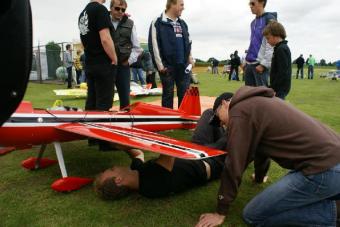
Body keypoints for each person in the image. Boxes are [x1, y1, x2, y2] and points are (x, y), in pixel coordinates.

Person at [196, 86, 340, 227]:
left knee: (253, 215)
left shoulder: (239, 112)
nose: (222, 124)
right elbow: (260, 150)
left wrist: (220, 211)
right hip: (330, 162)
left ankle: (334, 211)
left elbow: (234, 163)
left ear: (225, 104)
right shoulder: (256, 103)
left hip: (322, 170)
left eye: (218, 118)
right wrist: (259, 177)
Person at [94, 109, 228, 200]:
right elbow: (168, 152)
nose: (114, 166)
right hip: (212, 160)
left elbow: (138, 154)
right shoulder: (150, 186)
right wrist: (131, 142)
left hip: (197, 148)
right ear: (118, 180)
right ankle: (227, 128)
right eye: (112, 169)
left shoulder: (136, 173)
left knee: (211, 112)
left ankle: (223, 127)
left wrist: (119, 145)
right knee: (239, 124)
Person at [148, 0, 194, 109]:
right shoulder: (157, 22)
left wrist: (190, 58)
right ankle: (168, 120)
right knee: (168, 95)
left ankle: (183, 120)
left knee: (184, 95)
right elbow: (154, 46)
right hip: (167, 67)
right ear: (172, 4)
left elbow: (188, 43)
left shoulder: (183, 23)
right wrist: (160, 66)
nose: (183, 7)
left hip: (183, 67)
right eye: (181, 5)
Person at [78, 0, 118, 111]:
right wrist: (114, 58)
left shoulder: (83, 14)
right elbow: (105, 38)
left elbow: (83, 41)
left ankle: (88, 127)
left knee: (91, 101)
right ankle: (99, 125)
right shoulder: (100, 9)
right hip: (103, 63)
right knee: (103, 104)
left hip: (90, 63)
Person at [110, 0, 142, 109]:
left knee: (125, 100)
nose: (120, 11)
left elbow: (137, 48)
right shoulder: (103, 21)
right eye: (117, 8)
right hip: (106, 66)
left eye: (123, 9)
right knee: (105, 98)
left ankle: (125, 123)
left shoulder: (130, 23)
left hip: (123, 67)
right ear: (111, 8)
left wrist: (128, 62)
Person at [244, 0, 277, 87]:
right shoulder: (252, 23)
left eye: (253, 3)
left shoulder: (269, 19)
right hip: (249, 64)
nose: (250, 6)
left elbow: (271, 44)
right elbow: (253, 42)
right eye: (249, 4)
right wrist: (245, 61)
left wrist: (264, 64)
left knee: (262, 97)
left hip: (259, 65)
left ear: (262, 2)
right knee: (249, 96)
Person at [263, 21, 291, 100]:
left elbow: (282, 72)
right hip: (278, 88)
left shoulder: (282, 49)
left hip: (280, 89)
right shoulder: (278, 48)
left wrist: (274, 88)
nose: (267, 42)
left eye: (268, 38)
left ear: (276, 35)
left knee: (278, 109)